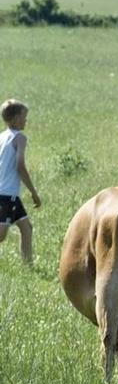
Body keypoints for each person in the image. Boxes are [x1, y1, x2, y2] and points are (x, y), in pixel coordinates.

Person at [0, 99, 41, 265]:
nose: (26, 120)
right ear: (16, 118)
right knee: (1, 236)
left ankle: (28, 265)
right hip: (7, 194)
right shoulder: (20, 138)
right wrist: (33, 192)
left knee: (26, 228)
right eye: (24, 116)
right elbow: (20, 166)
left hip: (9, 194)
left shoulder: (2, 137)